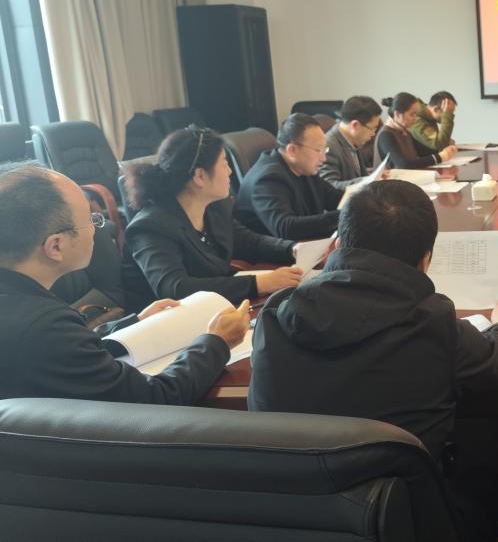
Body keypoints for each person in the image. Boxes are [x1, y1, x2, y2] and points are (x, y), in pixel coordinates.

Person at [249, 179, 498, 542]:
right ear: (425, 259)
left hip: (288, 521)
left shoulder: (275, 314)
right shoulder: (433, 321)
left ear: (338, 244)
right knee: (491, 485)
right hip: (398, 522)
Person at [0, 163, 249, 404]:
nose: (98, 227)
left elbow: (62, 352)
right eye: (90, 219)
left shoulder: (22, 308)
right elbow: (156, 398)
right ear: (56, 246)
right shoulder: (44, 327)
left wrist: (133, 323)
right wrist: (217, 342)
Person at [122, 127, 303, 312]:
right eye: (224, 164)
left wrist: (293, 249)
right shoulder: (150, 227)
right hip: (167, 323)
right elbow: (177, 289)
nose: (230, 171)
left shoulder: (215, 206)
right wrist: (258, 283)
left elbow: (249, 242)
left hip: (214, 310)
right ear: (200, 176)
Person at [234, 113, 344, 240]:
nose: (323, 158)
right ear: (292, 150)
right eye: (318, 150)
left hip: (305, 244)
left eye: (325, 150)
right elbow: (285, 227)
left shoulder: (304, 167)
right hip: (275, 249)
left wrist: (358, 202)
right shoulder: (268, 179)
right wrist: (344, 214)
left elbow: (335, 198)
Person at [374, 92, 458, 169]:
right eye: (412, 114)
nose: (415, 118)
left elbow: (424, 152)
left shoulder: (405, 131)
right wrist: (440, 157)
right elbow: (403, 164)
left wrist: (446, 151)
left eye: (416, 114)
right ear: (398, 114)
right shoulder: (386, 135)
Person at [319, 95, 381, 190]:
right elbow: (329, 186)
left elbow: (358, 174)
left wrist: (375, 176)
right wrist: (367, 181)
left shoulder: (353, 139)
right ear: (355, 125)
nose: (373, 134)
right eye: (372, 128)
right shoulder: (329, 146)